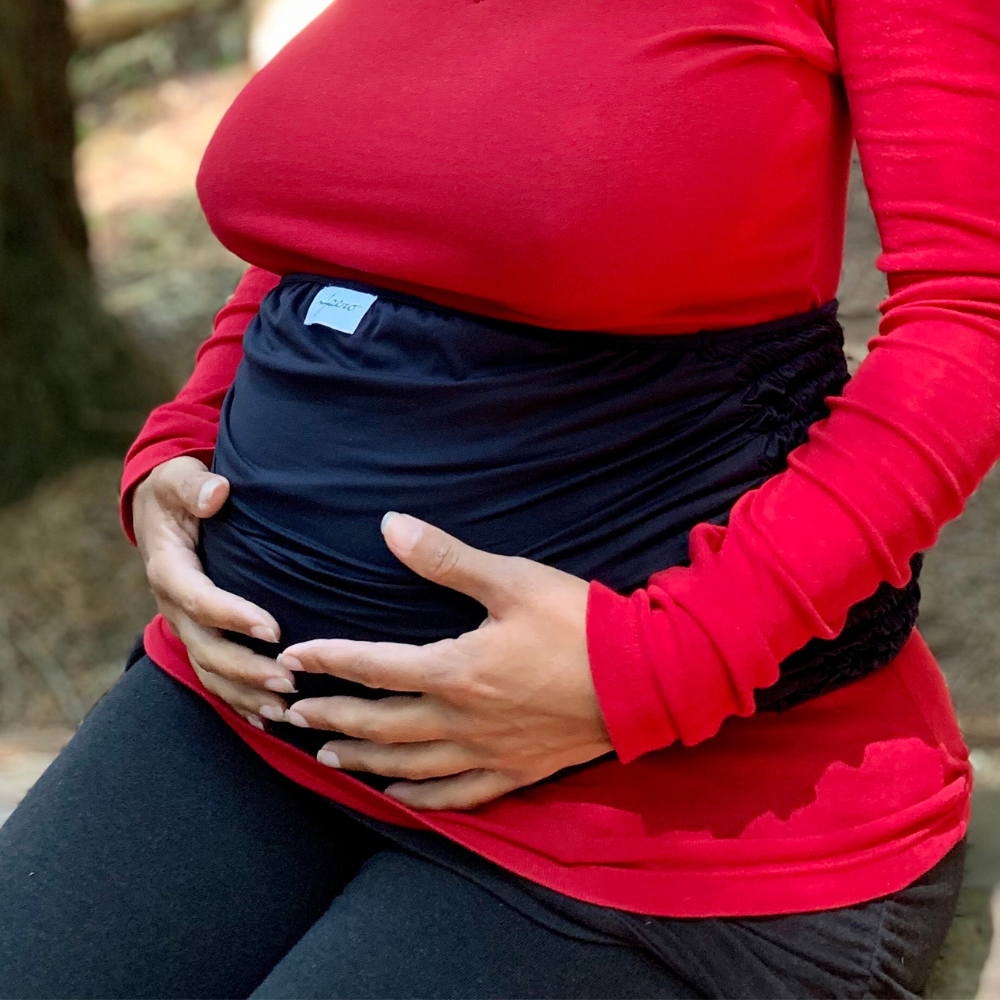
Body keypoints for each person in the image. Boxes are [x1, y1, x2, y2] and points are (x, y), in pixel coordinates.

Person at [1, 0, 997, 996]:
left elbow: (971, 317)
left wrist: (651, 666)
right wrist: (183, 439)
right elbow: (350, 231)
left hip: (660, 824)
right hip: (248, 713)